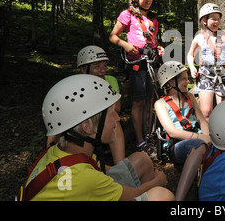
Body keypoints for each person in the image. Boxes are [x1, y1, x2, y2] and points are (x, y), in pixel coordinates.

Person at [18, 74, 174, 201]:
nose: (118, 119)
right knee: (162, 196)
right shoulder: (86, 178)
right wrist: (158, 181)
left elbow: (94, 166)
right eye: (111, 113)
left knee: (142, 159)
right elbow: (132, 194)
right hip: (89, 186)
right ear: (87, 127)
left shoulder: (58, 151)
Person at [109, 0, 164, 151]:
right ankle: (140, 140)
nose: (148, 0)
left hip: (151, 62)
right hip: (137, 64)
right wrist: (126, 45)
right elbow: (113, 36)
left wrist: (159, 48)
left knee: (149, 100)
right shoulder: (127, 15)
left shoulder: (152, 19)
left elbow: (152, 41)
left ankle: (149, 136)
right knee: (139, 102)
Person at [46, 45, 125, 164]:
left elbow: (117, 108)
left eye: (104, 66)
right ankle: (50, 156)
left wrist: (105, 87)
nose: (102, 70)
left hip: (98, 123)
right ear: (83, 69)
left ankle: (121, 166)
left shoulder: (110, 80)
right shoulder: (75, 85)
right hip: (78, 126)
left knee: (116, 124)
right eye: (97, 67)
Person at [154, 61, 210, 201]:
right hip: (176, 145)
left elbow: (202, 120)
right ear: (171, 82)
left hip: (197, 138)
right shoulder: (160, 104)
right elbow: (172, 132)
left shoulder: (190, 97)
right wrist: (201, 138)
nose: (188, 81)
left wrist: (208, 137)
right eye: (184, 78)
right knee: (199, 146)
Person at [187, 3, 225, 120]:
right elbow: (190, 54)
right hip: (205, 75)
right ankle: (207, 137)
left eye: (218, 19)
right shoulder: (199, 37)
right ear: (204, 20)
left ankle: (223, 136)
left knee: (223, 110)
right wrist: (192, 67)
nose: (216, 22)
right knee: (206, 111)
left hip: (222, 74)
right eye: (213, 19)